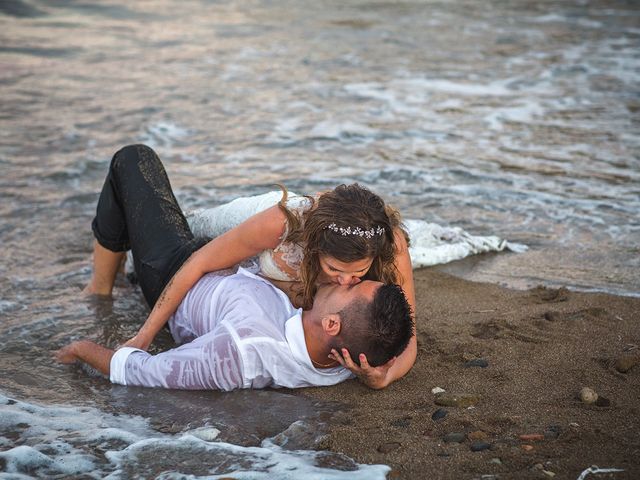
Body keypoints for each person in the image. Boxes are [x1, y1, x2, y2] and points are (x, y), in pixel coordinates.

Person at [83, 144, 417, 388]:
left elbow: (405, 337)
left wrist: (385, 375)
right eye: (334, 269)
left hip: (213, 295)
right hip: (194, 265)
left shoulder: (388, 245)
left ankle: (131, 269)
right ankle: (101, 287)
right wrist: (145, 335)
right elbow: (199, 263)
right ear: (314, 246)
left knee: (134, 168)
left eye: (359, 275)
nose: (346, 281)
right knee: (134, 161)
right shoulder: (285, 224)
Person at [55, 268, 414, 391]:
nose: (345, 279)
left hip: (173, 277)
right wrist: (379, 377)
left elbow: (143, 373)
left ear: (332, 324)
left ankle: (101, 287)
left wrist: (80, 347)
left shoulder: (241, 351)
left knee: (132, 161)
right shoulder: (346, 359)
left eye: (351, 287)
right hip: (216, 262)